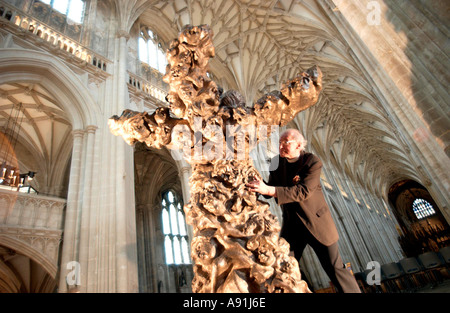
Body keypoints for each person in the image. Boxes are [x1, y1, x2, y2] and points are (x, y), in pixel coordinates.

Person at [246, 129, 361, 293]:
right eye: (280, 142)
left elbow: (303, 191)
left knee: (335, 269)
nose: (281, 145)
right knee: (282, 264)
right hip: (292, 225)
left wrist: (268, 190)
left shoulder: (312, 161)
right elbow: (270, 187)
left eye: (286, 142)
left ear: (299, 145)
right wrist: (255, 186)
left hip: (316, 223)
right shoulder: (275, 163)